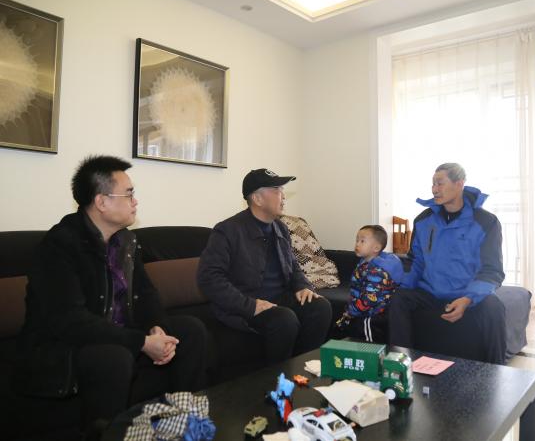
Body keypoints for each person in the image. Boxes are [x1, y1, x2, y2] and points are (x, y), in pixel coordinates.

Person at [15, 156, 208, 439]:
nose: (135, 201)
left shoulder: (126, 241)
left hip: (119, 334)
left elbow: (146, 294)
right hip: (65, 347)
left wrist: (157, 327)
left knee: (190, 331)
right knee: (113, 357)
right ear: (102, 202)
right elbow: (71, 322)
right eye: (128, 194)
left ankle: (185, 423)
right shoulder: (59, 246)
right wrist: (142, 342)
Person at [197, 168, 332, 364]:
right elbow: (208, 278)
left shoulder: (280, 227)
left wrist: (303, 286)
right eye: (277, 190)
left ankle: (304, 368)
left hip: (278, 300)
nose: (283, 196)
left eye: (282, 190)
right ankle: (277, 378)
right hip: (244, 305)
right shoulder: (228, 230)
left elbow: (292, 264)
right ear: (258, 199)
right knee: (284, 320)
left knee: (320, 307)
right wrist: (250, 305)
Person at [388, 163, 507, 364]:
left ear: (459, 184)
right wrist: (399, 286)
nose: (434, 189)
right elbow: (415, 262)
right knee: (399, 299)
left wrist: (468, 298)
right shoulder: (423, 220)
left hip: (466, 293)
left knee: (494, 307)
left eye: (440, 183)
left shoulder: (486, 222)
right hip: (430, 293)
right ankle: (399, 365)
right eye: (433, 184)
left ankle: (496, 370)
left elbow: (492, 270)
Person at [336, 225, 403, 343]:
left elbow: (369, 299)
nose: (357, 244)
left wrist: (352, 311)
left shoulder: (377, 271)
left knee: (367, 344)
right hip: (363, 311)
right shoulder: (365, 263)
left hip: (372, 316)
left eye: (362, 241)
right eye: (357, 240)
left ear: (376, 248)